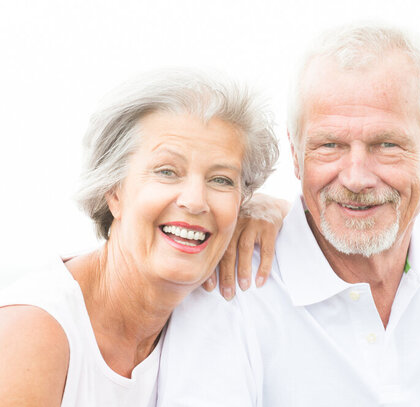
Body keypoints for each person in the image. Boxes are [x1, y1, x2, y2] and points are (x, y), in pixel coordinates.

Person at [159, 24, 420, 406]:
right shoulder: (225, 296)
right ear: (295, 155)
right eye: (330, 145)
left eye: (387, 144)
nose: (356, 177)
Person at [0, 69, 280, 406]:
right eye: (166, 171)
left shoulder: (205, 315)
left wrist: (282, 213)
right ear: (113, 191)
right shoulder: (30, 331)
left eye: (221, 180)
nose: (195, 200)